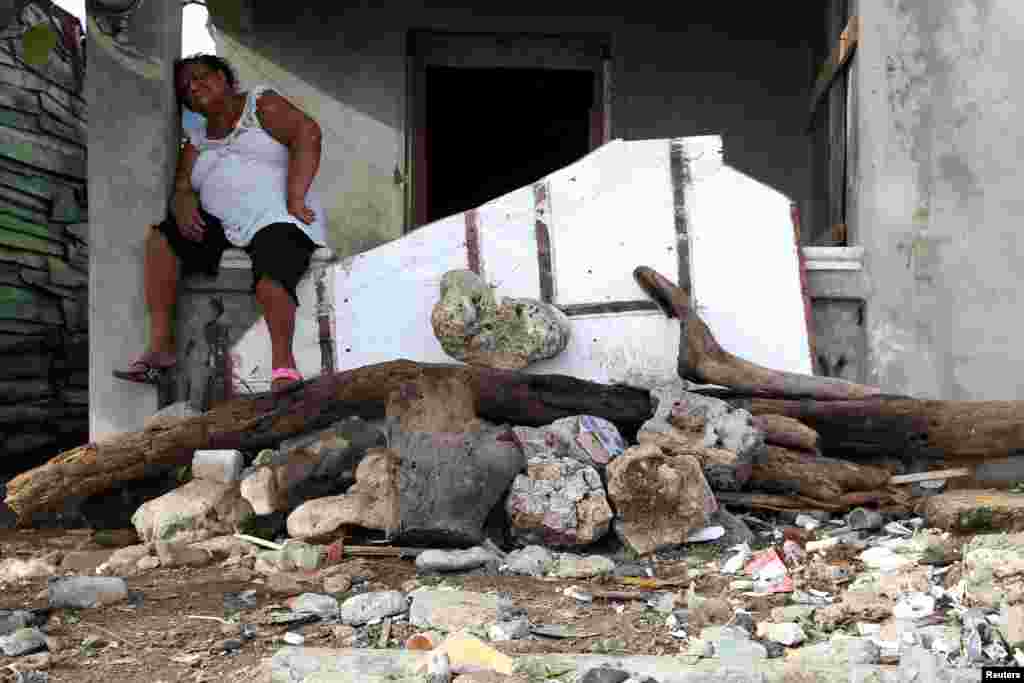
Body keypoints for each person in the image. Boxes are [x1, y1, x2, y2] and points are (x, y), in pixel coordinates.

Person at [113, 54, 327, 393]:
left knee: (271, 277)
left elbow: (307, 133)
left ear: (224, 78)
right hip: (227, 227)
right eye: (185, 87)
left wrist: (296, 196)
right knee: (162, 240)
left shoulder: (259, 105)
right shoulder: (196, 137)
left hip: (278, 218)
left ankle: (284, 368)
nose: (193, 87)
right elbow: (183, 184)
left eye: (201, 77)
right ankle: (161, 349)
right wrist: (182, 202)